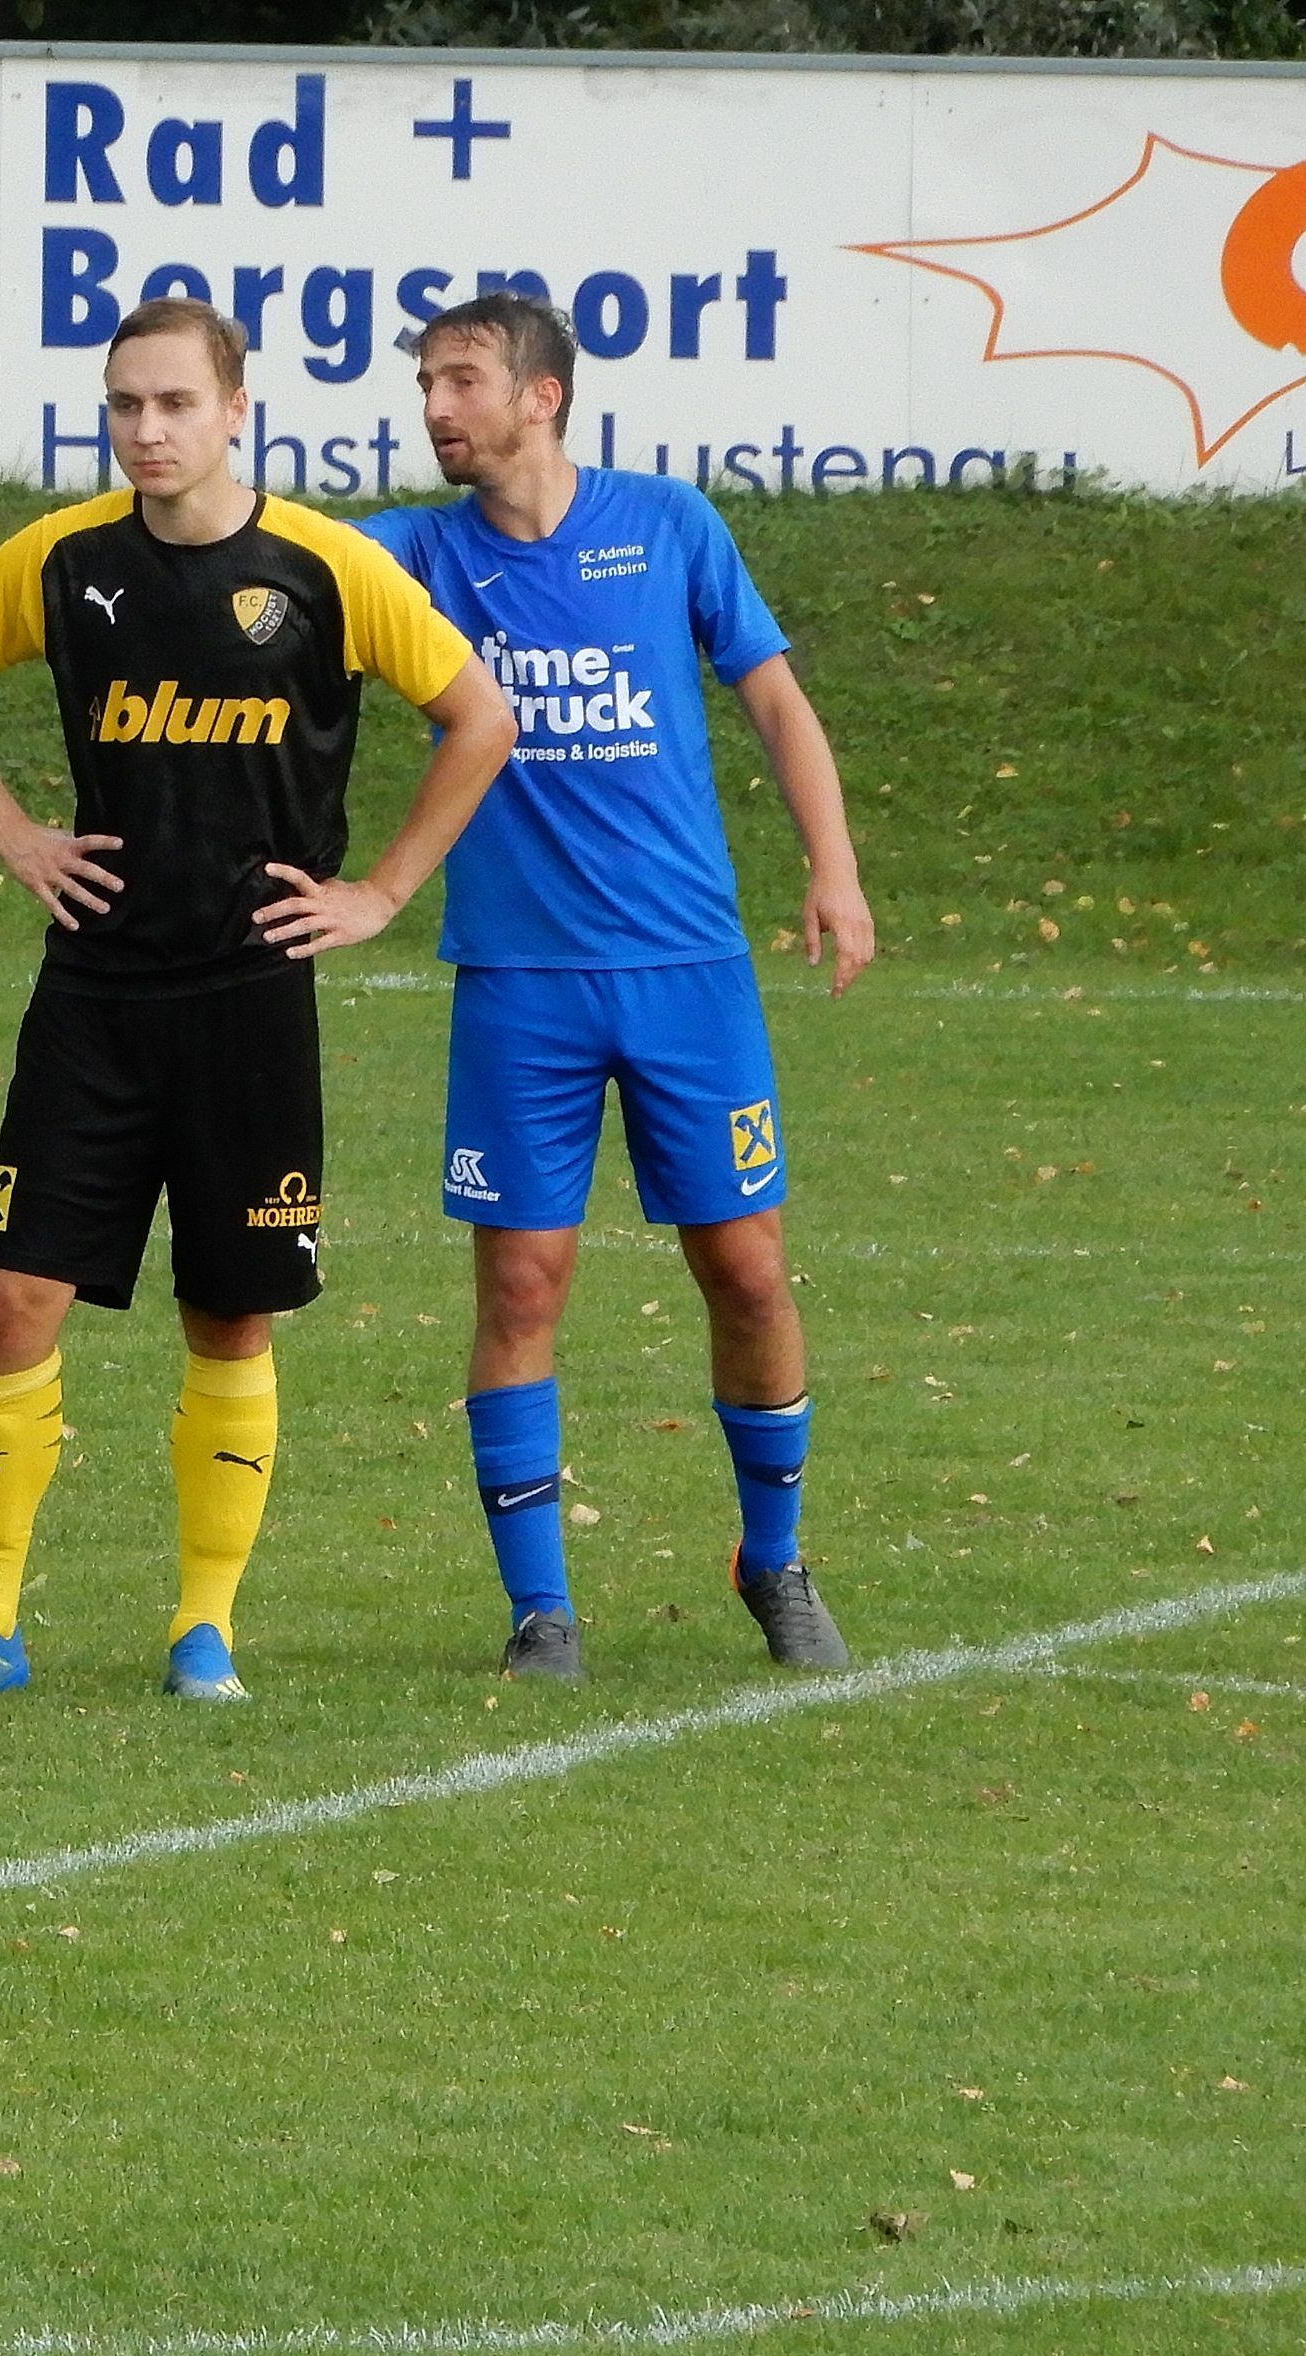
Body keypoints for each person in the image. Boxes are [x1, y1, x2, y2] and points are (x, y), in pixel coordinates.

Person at [0, 297, 511, 1708]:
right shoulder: (63, 560)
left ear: (238, 409)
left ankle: (203, 1629)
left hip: (249, 998)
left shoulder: (329, 568)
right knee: (12, 1299)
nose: (148, 430)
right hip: (94, 994)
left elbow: (480, 717)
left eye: (174, 404)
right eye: (125, 405)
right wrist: (12, 833)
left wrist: (383, 893)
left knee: (230, 1317)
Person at [363, 293, 868, 1678]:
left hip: (688, 971)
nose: (434, 407)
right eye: (424, 383)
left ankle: (775, 1561)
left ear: (541, 396)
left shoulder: (669, 526)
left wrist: (833, 866)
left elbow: (773, 699)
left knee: (749, 1269)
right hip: (520, 981)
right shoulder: (409, 553)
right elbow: (263, 562)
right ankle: (541, 1612)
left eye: (460, 379)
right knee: (522, 1286)